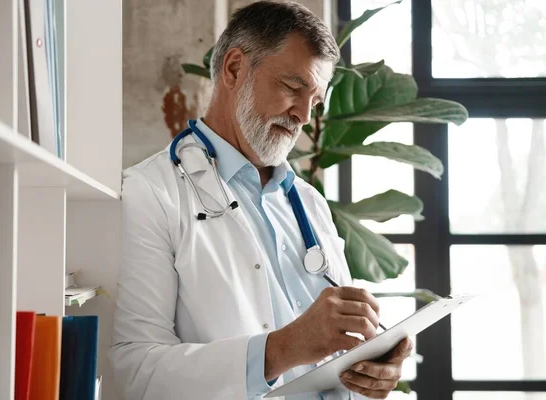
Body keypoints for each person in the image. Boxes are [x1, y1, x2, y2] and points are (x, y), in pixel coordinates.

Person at [109, 1, 412, 399]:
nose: (304, 115)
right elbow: (137, 371)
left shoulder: (309, 203)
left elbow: (333, 351)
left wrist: (369, 370)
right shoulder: (152, 193)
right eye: (292, 87)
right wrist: (283, 348)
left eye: (316, 101)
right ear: (234, 69)